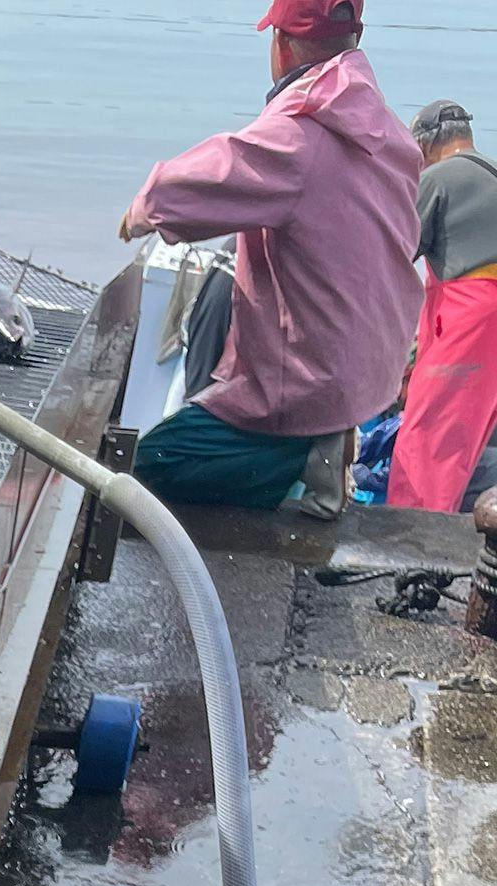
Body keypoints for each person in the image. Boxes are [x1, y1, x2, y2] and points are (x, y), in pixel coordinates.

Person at [118, 0, 421, 518]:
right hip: (365, 377)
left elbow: (211, 173)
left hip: (303, 392)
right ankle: (314, 453)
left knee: (137, 475)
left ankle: (303, 458)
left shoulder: (301, 134)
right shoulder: (387, 131)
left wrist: (141, 210)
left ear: (282, 44)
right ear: (357, 35)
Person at [389, 100, 497, 513]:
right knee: (472, 430)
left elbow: (393, 261)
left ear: (423, 146)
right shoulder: (492, 171)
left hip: (472, 317)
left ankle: (417, 526)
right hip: (484, 327)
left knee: (430, 432)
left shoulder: (435, 179)